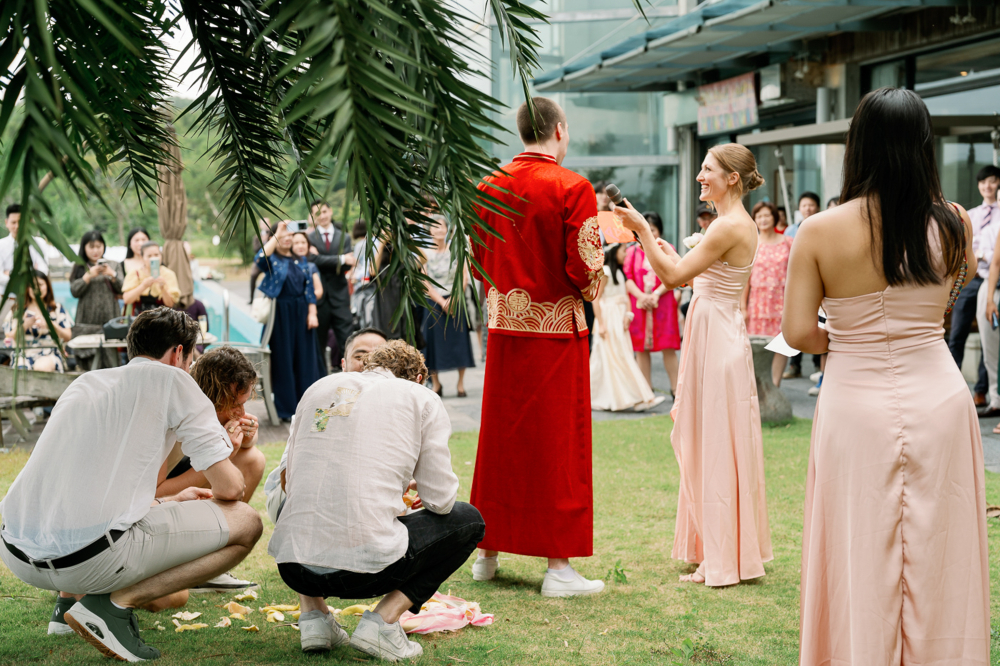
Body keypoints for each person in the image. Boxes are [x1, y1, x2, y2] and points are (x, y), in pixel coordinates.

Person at [784, 88, 987, 665]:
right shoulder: (954, 223)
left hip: (855, 396)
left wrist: (850, 337)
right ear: (925, 146)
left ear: (858, 146)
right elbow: (953, 293)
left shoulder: (820, 231)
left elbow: (799, 333)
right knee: (940, 551)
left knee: (857, 544)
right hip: (940, 395)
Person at [0, 308, 263, 661]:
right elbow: (232, 490)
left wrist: (170, 500)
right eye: (189, 357)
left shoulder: (88, 382)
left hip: (17, 551)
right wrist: (227, 451)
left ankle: (67, 608)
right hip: (85, 560)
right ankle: (110, 606)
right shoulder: (173, 380)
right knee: (248, 522)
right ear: (178, 353)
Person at [616, 143, 772, 587]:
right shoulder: (728, 225)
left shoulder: (729, 226)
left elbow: (671, 278)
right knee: (709, 440)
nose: (700, 176)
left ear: (732, 179)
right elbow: (682, 268)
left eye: (707, 170)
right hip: (714, 333)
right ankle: (715, 548)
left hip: (717, 338)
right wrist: (661, 246)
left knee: (715, 443)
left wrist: (643, 231)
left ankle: (721, 557)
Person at [269, 340, 484, 660]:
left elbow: (290, 477)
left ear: (369, 366)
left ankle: (314, 617)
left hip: (293, 566)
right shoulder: (421, 397)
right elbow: (440, 501)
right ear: (418, 378)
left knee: (308, 501)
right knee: (468, 520)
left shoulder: (319, 387)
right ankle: (382, 622)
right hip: (366, 569)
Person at [469, 96, 605, 597]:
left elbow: (478, 258)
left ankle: (486, 553)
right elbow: (585, 269)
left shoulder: (487, 187)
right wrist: (596, 285)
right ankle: (558, 567)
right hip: (555, 334)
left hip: (505, 329)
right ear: (560, 131)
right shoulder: (573, 186)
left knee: (501, 440)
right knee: (558, 444)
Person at [263, 327, 387, 524]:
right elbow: (290, 480)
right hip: (297, 501)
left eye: (379, 357)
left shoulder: (397, 409)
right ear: (344, 365)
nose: (369, 364)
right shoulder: (323, 406)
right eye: (360, 356)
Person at [256, 220, 322, 421]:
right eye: (282, 236)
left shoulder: (301, 261)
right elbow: (259, 259)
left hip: (302, 313)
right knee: (282, 359)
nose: (287, 239)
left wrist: (312, 313)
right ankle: (286, 410)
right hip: (280, 314)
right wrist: (278, 233)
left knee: (305, 359)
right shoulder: (272, 260)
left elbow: (309, 289)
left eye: (289, 235)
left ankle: (309, 404)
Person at [591, 243, 664, 412]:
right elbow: (596, 299)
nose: (626, 254)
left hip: (619, 319)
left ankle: (634, 397)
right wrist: (601, 323)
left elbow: (625, 297)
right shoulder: (606, 272)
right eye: (624, 251)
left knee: (622, 356)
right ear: (614, 252)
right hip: (608, 318)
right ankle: (639, 397)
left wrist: (628, 315)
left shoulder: (620, 273)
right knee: (613, 357)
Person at [623, 212, 680, 395]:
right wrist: (641, 296)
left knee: (668, 347)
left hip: (663, 303)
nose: (648, 233)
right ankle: (645, 391)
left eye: (652, 229)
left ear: (659, 230)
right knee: (641, 349)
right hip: (640, 305)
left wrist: (656, 294)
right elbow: (628, 278)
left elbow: (676, 273)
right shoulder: (631, 252)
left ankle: (676, 390)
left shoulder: (667, 248)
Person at [421, 215, 475, 397]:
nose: (438, 230)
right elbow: (424, 281)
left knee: (460, 342)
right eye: (434, 227)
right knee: (433, 344)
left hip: (456, 299)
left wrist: (454, 297)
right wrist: (442, 301)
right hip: (434, 302)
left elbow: (463, 275)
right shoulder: (424, 253)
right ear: (429, 230)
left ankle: (460, 384)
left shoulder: (455, 249)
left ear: (447, 229)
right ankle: (436, 384)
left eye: (442, 226)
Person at [741, 201, 793, 386]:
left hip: (783, 302)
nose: (763, 219)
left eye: (767, 215)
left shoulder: (788, 242)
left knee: (782, 344)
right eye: (759, 216)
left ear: (775, 217)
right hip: (758, 303)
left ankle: (775, 385)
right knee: (756, 345)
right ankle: (758, 387)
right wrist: (743, 307)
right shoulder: (751, 244)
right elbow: (745, 279)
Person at [307, 200, 355, 373]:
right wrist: (340, 258)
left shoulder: (345, 237)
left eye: (324, 211)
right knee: (318, 343)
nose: (322, 216)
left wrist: (321, 259)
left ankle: (349, 377)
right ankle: (319, 379)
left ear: (331, 211)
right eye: (317, 213)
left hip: (340, 296)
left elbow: (348, 265)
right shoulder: (309, 238)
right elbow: (311, 261)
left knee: (347, 341)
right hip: (319, 298)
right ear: (313, 216)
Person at [69, 230, 122, 370]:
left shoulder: (114, 265)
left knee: (111, 360)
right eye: (91, 247)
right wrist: (87, 277)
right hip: (87, 320)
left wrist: (113, 275)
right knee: (88, 359)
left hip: (110, 318)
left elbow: (123, 288)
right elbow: (74, 291)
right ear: (84, 248)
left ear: (104, 246)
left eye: (99, 246)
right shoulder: (79, 266)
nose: (95, 250)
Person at [784, 192, 822, 380]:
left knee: (818, 322)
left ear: (817, 207)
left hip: (817, 281)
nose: (807, 208)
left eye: (811, 205)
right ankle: (794, 365)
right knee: (796, 321)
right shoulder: (790, 231)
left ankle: (817, 365)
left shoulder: (823, 227)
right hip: (796, 280)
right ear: (799, 208)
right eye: (804, 205)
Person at [2, 270, 73, 372]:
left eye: (40, 284)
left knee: (42, 368)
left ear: (47, 286)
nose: (36, 288)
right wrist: (24, 325)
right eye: (32, 285)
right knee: (22, 368)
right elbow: (8, 338)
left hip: (50, 353)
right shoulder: (18, 310)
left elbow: (68, 337)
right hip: (22, 354)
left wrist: (50, 325)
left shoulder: (56, 309)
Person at [972, 165, 1000, 416]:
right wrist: (990, 298)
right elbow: (995, 263)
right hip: (982, 283)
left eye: (993, 182)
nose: (988, 186)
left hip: (988, 283)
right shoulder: (974, 216)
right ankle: (994, 397)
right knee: (988, 345)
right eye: (984, 182)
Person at [0, 203, 49, 292]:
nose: (17, 226)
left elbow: (43, 270)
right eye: (13, 222)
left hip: (31, 298)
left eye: (20, 221)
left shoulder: (39, 243)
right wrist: (30, 275)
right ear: (6, 222)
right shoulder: (1, 245)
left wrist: (9, 274)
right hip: (6, 299)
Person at [122, 242, 181, 315]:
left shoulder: (169, 274)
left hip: (163, 318)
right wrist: (143, 286)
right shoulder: (135, 273)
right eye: (149, 256)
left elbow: (170, 304)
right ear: (142, 257)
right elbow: (127, 299)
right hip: (139, 317)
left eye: (156, 255)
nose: (153, 258)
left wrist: (163, 288)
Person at [292, 231, 324, 301]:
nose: (300, 246)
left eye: (303, 242)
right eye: (296, 243)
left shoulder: (311, 266)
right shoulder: (287, 264)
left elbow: (319, 291)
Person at [248, 220, 272, 304]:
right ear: (260, 226)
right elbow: (255, 249)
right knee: (253, 275)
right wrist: (263, 241)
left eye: (267, 223)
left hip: (270, 260)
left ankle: (267, 297)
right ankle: (251, 298)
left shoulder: (272, 235)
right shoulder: (257, 237)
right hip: (260, 259)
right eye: (263, 223)